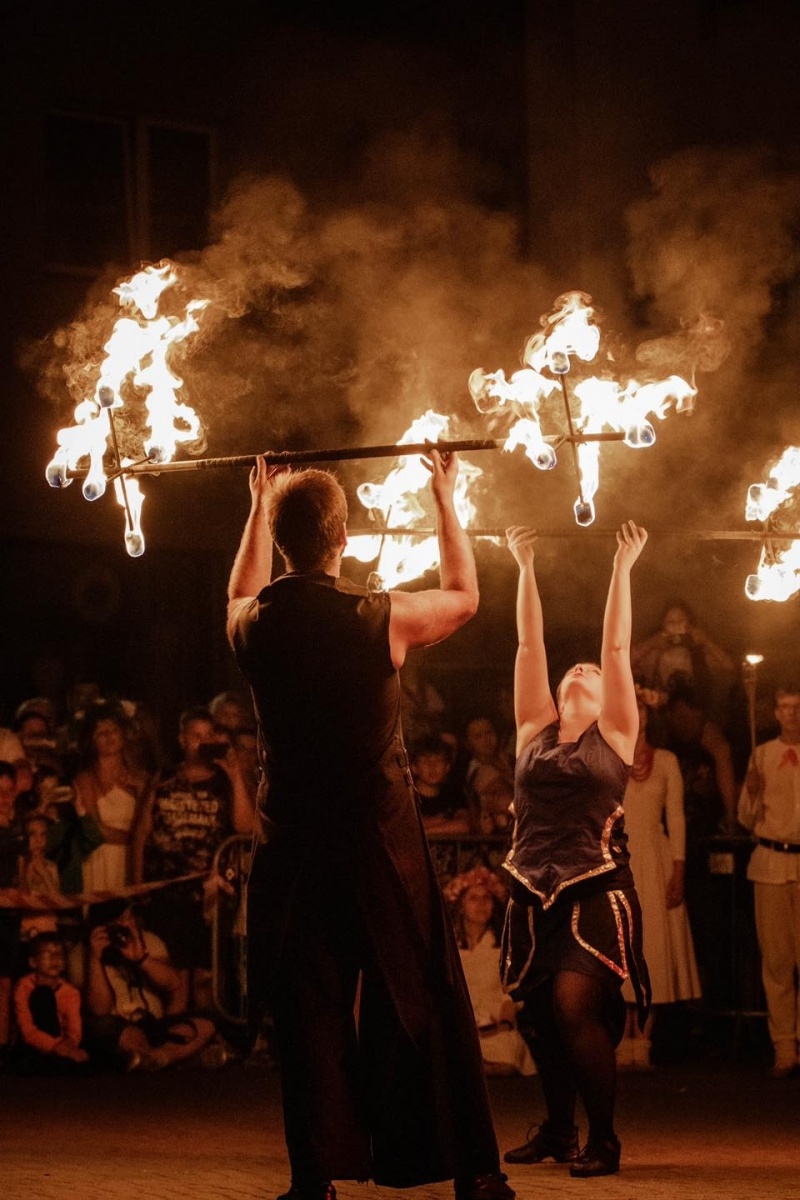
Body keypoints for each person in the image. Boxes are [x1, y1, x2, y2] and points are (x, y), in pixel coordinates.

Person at [227, 451, 512, 1200]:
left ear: (281, 541)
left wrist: (257, 505)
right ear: (343, 537)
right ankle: (473, 1171)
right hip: (376, 840)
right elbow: (464, 595)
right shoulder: (377, 615)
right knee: (422, 987)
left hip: (294, 844)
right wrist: (446, 497)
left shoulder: (252, 624)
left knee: (308, 1010)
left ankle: (312, 1177)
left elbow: (239, 591)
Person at [501, 523, 650, 1179]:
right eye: (574, 670)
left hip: (595, 888)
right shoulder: (533, 730)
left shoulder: (615, 733)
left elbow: (615, 646)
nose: (583, 670)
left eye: (591, 672)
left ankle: (604, 1140)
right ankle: (559, 1130)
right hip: (530, 889)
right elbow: (528, 644)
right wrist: (524, 564)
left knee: (572, 1007)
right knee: (537, 1015)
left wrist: (623, 565)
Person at [133, 707, 254, 1012]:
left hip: (208, 896)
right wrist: (136, 885)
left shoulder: (223, 781)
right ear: (182, 740)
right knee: (173, 975)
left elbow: (245, 827)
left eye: (208, 735)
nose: (202, 742)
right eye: (195, 736)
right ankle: (176, 1029)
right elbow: (141, 833)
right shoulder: (164, 777)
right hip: (165, 892)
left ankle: (204, 1030)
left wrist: (235, 776)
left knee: (205, 978)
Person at [618, 695, 701, 1070]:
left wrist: (678, 869)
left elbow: (676, 817)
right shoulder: (610, 756)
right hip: (621, 858)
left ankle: (644, 1038)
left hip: (655, 858)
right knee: (623, 944)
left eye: (642, 708)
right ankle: (623, 1037)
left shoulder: (665, 760)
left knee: (653, 945)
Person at [738, 684, 800, 1077]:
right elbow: (746, 818)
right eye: (784, 707)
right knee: (777, 960)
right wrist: (751, 793)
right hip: (771, 864)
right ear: (776, 713)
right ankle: (784, 1046)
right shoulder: (761, 755)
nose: (791, 713)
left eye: (797, 707)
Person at [83, 901, 216, 1071]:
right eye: (120, 920)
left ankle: (156, 1058)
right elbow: (99, 1010)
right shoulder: (86, 952)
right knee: (103, 1028)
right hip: (120, 1030)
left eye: (129, 917)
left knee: (205, 1021)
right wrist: (95, 959)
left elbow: (173, 983)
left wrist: (142, 959)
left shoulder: (149, 940)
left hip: (156, 1024)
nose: (126, 924)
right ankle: (173, 1059)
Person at [443, 865, 535, 1078]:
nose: (481, 905)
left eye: (486, 898)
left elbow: (511, 994)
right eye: (473, 899)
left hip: (496, 1027)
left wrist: (502, 1024)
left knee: (506, 1054)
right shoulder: (450, 948)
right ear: (461, 906)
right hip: (461, 1027)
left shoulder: (503, 947)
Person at [72, 700, 151, 893]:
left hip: (134, 861)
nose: (109, 737)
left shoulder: (141, 778)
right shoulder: (85, 779)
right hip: (101, 861)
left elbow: (149, 823)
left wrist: (142, 791)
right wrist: (135, 840)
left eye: (114, 730)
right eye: (101, 733)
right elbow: (95, 831)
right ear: (91, 740)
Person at [13, 933, 89, 1074]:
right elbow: (27, 1030)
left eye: (59, 954)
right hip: (35, 1044)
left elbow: (74, 1029)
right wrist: (56, 1046)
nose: (55, 958)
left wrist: (69, 1045)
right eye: (47, 953)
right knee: (42, 995)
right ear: (33, 962)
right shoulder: (24, 986)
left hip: (62, 1043)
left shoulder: (71, 992)